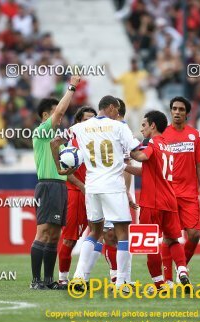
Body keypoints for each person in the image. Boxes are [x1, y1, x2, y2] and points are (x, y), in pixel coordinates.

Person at [70, 95, 140, 291]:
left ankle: (79, 278)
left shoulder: (79, 127)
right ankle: (121, 281)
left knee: (94, 231)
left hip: (91, 186)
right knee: (121, 233)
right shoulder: (119, 126)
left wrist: (61, 168)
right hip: (113, 186)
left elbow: (58, 143)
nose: (117, 114)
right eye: (116, 110)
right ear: (110, 108)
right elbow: (135, 152)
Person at [124, 110, 191, 291]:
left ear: (153, 126)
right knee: (173, 240)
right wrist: (123, 166)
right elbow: (147, 171)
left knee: (149, 245)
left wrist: (126, 147)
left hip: (152, 202)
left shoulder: (152, 143)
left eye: (144, 125)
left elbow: (142, 156)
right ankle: (183, 270)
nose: (142, 128)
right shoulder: (167, 145)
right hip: (170, 201)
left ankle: (160, 285)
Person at [29, 75, 80, 290]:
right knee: (43, 233)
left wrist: (81, 185)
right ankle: (35, 280)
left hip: (58, 186)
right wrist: (72, 88)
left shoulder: (56, 140)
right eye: (54, 113)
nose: (59, 117)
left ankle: (49, 281)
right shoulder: (42, 131)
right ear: (45, 115)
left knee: (55, 235)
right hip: (48, 186)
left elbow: (62, 170)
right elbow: (60, 112)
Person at [162, 96, 200, 285]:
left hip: (189, 194)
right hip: (168, 193)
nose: (177, 112)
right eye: (174, 109)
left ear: (187, 114)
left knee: (195, 235)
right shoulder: (162, 134)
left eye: (181, 109)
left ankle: (181, 267)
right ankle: (170, 279)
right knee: (169, 237)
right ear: (170, 111)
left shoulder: (194, 135)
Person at [56, 106, 96, 289]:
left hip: (96, 192)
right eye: (86, 119)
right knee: (70, 238)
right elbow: (64, 170)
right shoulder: (73, 140)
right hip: (78, 194)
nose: (90, 123)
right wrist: (82, 187)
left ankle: (111, 278)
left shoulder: (98, 139)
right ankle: (63, 279)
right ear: (79, 122)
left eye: (93, 120)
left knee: (104, 235)